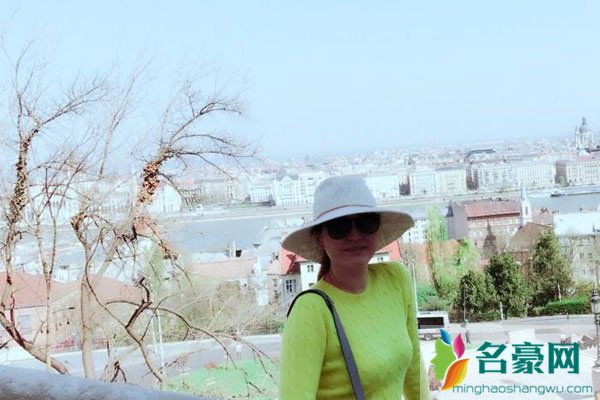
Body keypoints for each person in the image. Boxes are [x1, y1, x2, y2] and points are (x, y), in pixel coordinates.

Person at [279, 175, 429, 399]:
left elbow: (414, 371)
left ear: (377, 229)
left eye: (366, 223)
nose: (355, 235)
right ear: (320, 238)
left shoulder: (396, 278)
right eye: (339, 227)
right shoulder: (310, 310)